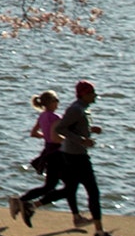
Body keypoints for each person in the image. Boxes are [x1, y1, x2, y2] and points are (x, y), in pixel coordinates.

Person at [24, 80, 123, 236]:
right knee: (93, 192)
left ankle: (32, 206)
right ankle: (99, 233)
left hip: (73, 155)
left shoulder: (81, 109)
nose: (96, 96)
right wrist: (82, 141)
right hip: (75, 156)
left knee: (69, 190)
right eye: (93, 93)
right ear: (84, 94)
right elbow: (60, 128)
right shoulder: (76, 109)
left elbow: (73, 128)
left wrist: (91, 130)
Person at [9, 90, 85, 226]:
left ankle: (21, 201)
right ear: (50, 103)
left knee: (51, 186)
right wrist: (69, 140)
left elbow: (34, 133)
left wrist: (46, 136)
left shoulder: (42, 116)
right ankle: (76, 217)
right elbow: (57, 138)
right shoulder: (56, 117)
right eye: (56, 100)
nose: (58, 103)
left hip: (48, 152)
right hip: (58, 153)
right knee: (69, 186)